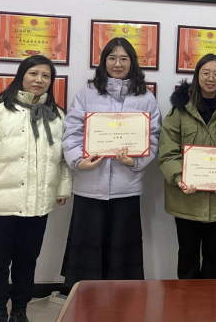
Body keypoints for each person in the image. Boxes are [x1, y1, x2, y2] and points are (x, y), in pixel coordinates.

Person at [0, 55, 72, 322]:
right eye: (33, 73)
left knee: (27, 261)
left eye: (46, 76)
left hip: (37, 205)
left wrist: (62, 189)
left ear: (51, 82)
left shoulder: (57, 117)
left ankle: (20, 309)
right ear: (21, 76)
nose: (39, 80)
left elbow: (63, 159)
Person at [61, 37, 161, 286]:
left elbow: (154, 137)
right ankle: (84, 300)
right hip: (89, 185)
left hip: (126, 187)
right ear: (104, 61)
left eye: (124, 58)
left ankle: (121, 301)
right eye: (112, 58)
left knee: (122, 253)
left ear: (132, 62)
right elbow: (72, 132)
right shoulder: (86, 94)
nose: (118, 64)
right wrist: (78, 161)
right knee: (88, 252)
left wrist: (134, 162)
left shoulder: (146, 98)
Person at [158, 54, 216, 279]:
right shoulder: (179, 110)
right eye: (206, 73)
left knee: (214, 255)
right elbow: (167, 150)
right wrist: (179, 177)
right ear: (197, 75)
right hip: (185, 197)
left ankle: (212, 301)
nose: (211, 78)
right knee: (187, 255)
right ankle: (186, 300)